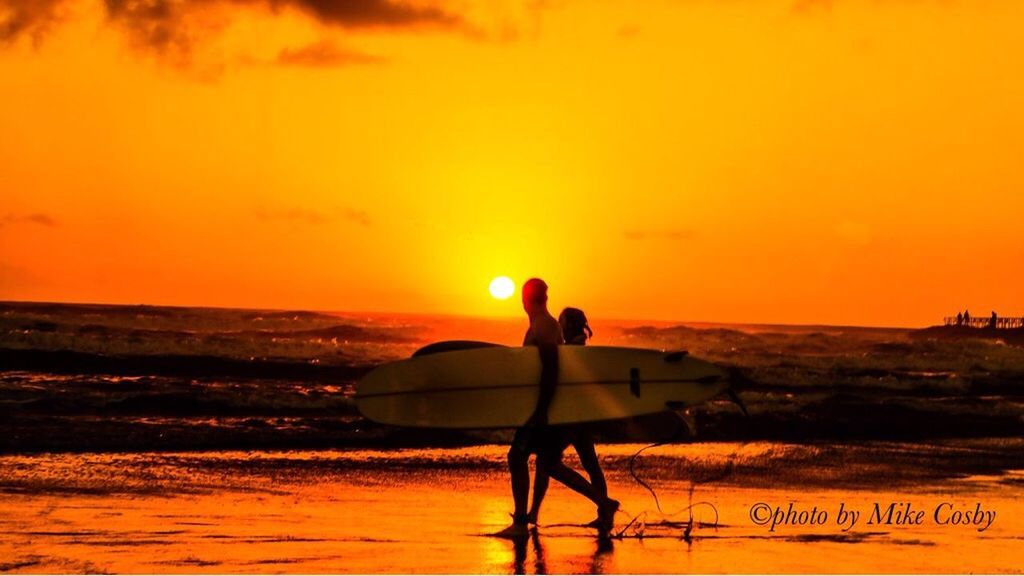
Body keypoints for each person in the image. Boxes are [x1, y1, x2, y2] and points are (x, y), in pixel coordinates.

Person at [498, 279, 617, 536]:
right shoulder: (544, 325)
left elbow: (551, 369)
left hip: (547, 407)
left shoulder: (543, 326)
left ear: (524, 298)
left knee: (521, 457)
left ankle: (521, 522)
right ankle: (603, 504)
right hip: (554, 407)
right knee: (547, 463)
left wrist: (542, 409)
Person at [526, 306, 617, 530]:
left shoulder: (572, 350)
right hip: (581, 414)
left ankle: (604, 503)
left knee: (547, 462)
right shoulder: (577, 348)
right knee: (589, 463)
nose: (558, 326)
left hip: (569, 416)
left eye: (561, 322)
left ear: (568, 325)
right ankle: (603, 514)